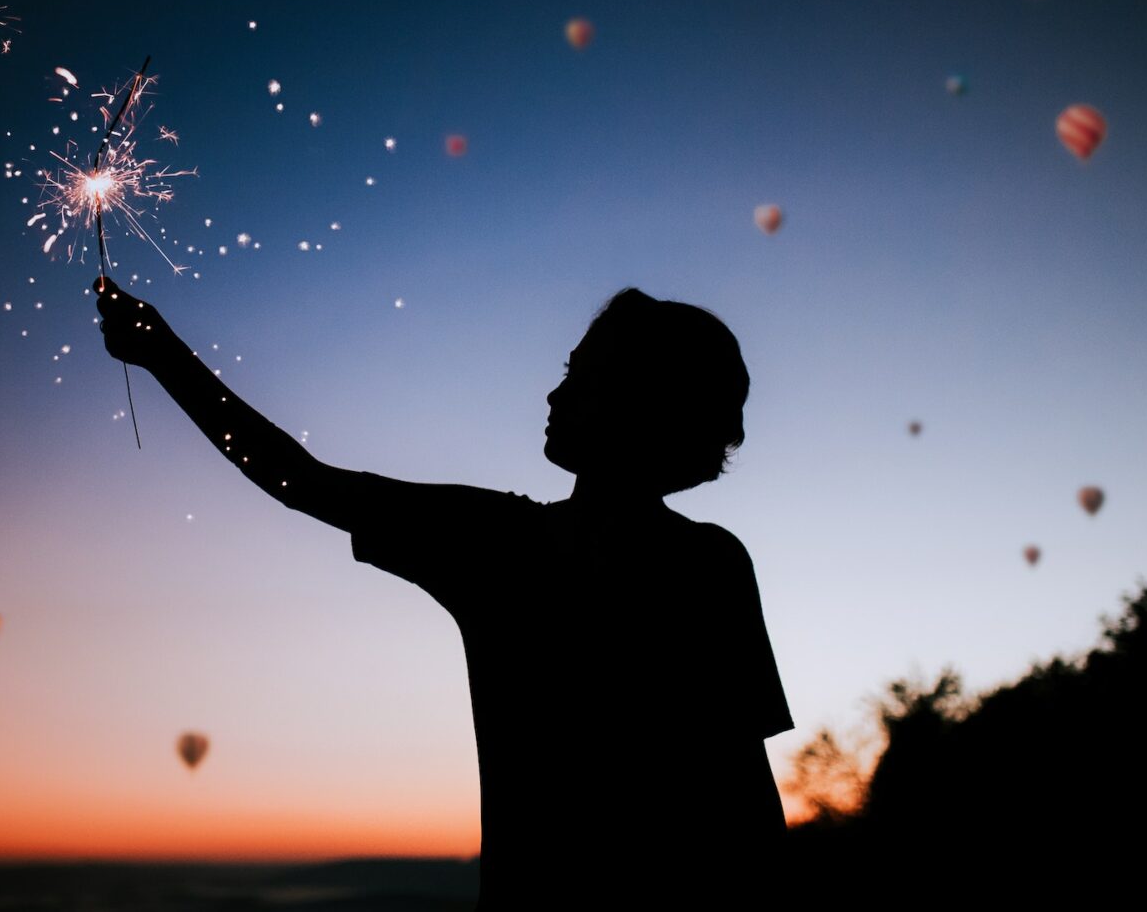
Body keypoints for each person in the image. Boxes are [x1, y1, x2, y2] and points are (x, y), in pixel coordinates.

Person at [93, 277, 793, 906]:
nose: (553, 394)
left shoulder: (500, 543)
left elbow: (297, 480)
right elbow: (747, 803)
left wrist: (163, 355)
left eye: (580, 378)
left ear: (641, 404)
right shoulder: (712, 563)